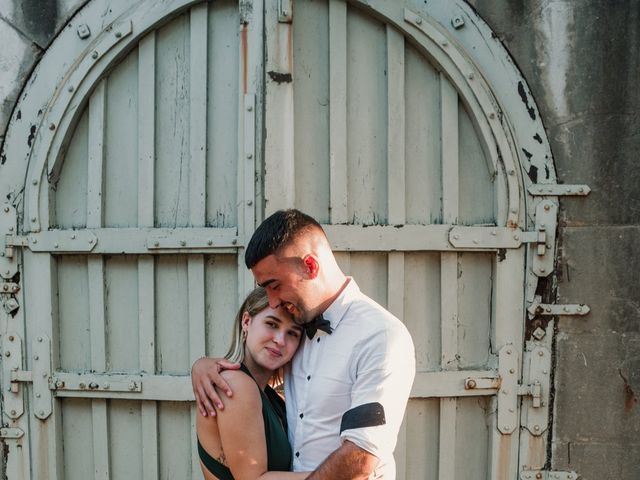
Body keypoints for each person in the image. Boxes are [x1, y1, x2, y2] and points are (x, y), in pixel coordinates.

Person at [193, 209, 415, 479]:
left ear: (310, 266)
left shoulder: (380, 336)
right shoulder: (297, 324)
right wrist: (202, 366)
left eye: (274, 285)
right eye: (265, 290)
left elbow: (361, 457)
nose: (272, 300)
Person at [196, 286, 309, 480]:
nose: (280, 340)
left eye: (293, 333)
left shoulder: (270, 395)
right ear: (246, 322)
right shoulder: (236, 384)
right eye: (272, 324)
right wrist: (341, 474)